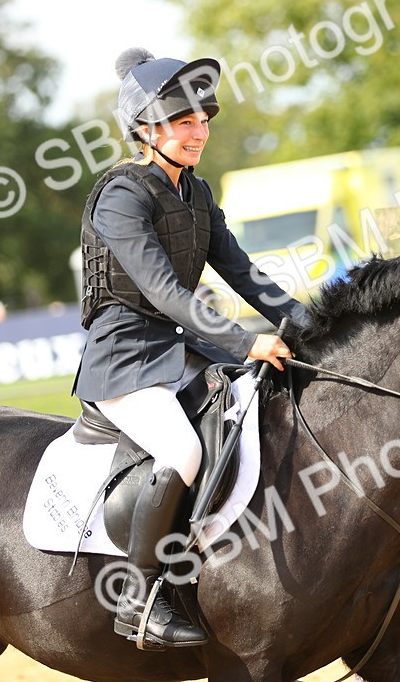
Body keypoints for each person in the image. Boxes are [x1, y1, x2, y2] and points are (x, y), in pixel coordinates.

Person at [75, 48, 308, 650]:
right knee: (180, 448)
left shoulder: (196, 193)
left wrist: (310, 325)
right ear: (148, 130)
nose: (199, 130)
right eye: (184, 122)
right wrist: (244, 339)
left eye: (204, 119)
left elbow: (243, 273)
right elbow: (163, 290)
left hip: (182, 350)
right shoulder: (121, 197)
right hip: (124, 359)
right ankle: (139, 598)